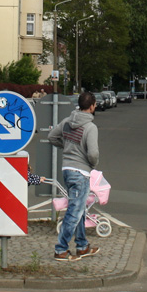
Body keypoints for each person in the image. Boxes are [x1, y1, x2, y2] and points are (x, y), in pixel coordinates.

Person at [47, 90, 101, 261]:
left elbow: (52, 137)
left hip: (67, 170)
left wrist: (66, 147)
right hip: (80, 172)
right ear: (92, 107)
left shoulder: (66, 122)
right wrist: (92, 164)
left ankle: (82, 246)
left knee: (79, 210)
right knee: (74, 212)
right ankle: (61, 249)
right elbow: (93, 153)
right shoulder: (90, 128)